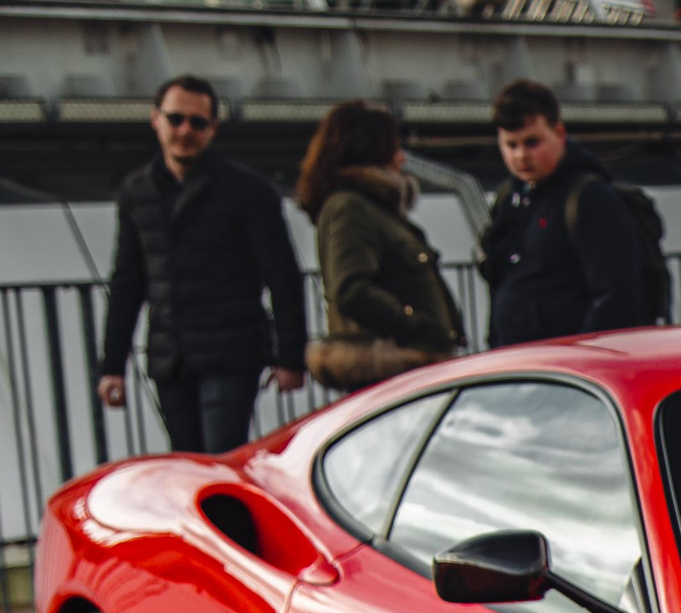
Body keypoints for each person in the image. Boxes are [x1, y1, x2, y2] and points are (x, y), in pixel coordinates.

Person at [95, 75, 307, 455]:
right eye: (175, 119)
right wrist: (112, 366)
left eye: (197, 122)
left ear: (213, 129)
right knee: (186, 462)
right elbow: (127, 281)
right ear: (155, 120)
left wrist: (291, 357)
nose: (184, 130)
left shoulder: (248, 191)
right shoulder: (136, 190)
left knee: (221, 460)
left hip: (231, 352)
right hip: (170, 356)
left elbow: (283, 275)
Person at [296, 102, 461, 392]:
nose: (401, 158)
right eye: (394, 147)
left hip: (404, 368)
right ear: (373, 150)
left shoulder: (374, 207)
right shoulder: (351, 207)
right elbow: (350, 289)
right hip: (389, 368)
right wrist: (414, 325)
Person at [479, 79, 643, 347]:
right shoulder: (510, 196)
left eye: (533, 142)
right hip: (517, 359)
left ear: (559, 134)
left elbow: (616, 297)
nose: (521, 156)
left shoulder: (589, 197)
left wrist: (581, 360)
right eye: (511, 145)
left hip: (564, 368)